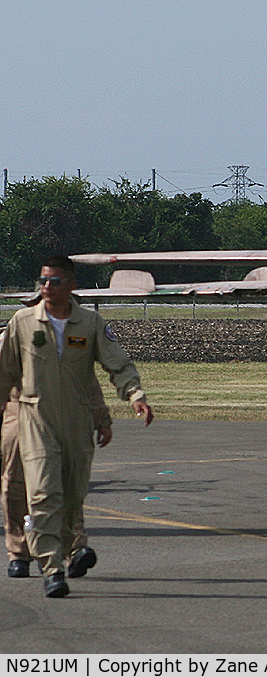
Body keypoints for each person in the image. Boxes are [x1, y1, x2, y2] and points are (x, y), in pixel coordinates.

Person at [0, 255, 153, 597]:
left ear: (71, 286)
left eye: (54, 281)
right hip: (34, 420)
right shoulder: (22, 322)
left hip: (76, 423)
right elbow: (4, 374)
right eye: (43, 281)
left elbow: (116, 365)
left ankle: (68, 550)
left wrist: (135, 395)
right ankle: (51, 569)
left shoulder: (90, 324)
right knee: (41, 494)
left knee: (71, 499)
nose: (47, 288)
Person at [3, 361, 112, 580]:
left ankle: (73, 549)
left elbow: (87, 382)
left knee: (69, 486)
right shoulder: (12, 338)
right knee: (16, 488)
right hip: (20, 415)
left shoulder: (69, 338)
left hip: (63, 417)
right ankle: (19, 553)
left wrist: (102, 419)